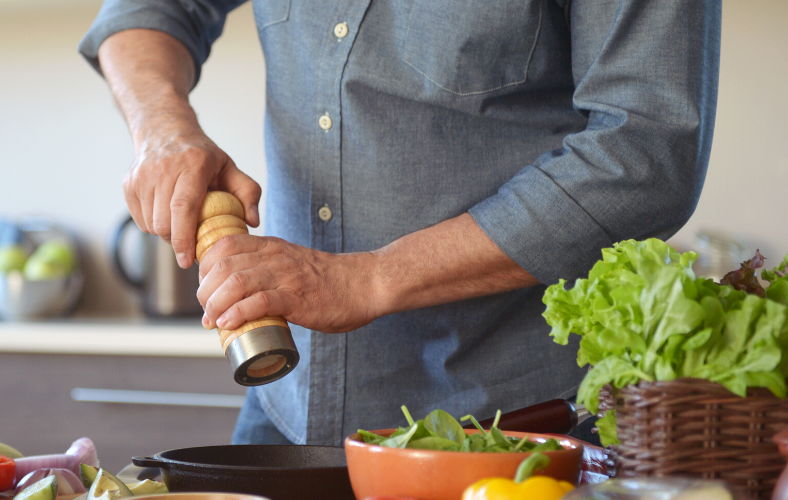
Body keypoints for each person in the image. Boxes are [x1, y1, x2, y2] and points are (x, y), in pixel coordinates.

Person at [79, 1, 720, 447]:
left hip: (511, 430)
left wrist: (371, 279)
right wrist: (161, 127)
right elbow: (144, 10)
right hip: (289, 409)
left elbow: (644, 155)